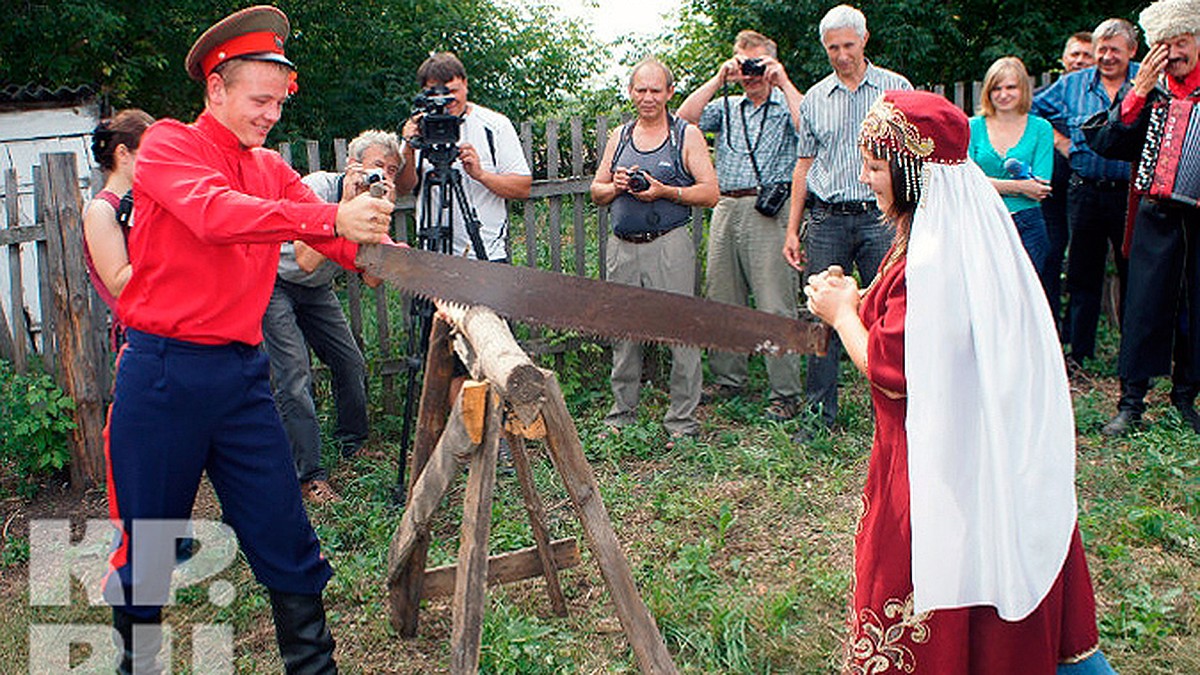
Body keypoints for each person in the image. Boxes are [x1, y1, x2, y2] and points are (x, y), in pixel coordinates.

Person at [102, 7, 394, 673]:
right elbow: (214, 214)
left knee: (285, 536)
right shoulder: (170, 147)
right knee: (147, 550)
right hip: (164, 376)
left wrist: (386, 256)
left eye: (279, 102)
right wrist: (328, 214)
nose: (271, 114)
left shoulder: (267, 168)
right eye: (259, 100)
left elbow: (329, 237)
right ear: (217, 89)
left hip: (240, 379)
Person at [806, 89, 1113, 674]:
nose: (865, 177)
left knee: (946, 569)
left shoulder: (933, 254)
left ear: (910, 173)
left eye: (874, 166)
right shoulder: (958, 231)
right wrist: (861, 296)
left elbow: (895, 374)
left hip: (936, 461)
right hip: (986, 446)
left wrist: (843, 314)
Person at [782, 4, 912, 431]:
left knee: (889, 313)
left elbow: (913, 162)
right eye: (833, 48)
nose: (841, 55)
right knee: (824, 314)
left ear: (865, 40)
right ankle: (819, 417)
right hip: (829, 219)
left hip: (883, 221)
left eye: (848, 46)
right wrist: (792, 229)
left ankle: (892, 414)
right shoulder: (816, 98)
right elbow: (804, 165)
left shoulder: (896, 90)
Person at [263, 130, 402, 504]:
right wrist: (341, 208)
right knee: (294, 375)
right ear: (352, 165)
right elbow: (306, 261)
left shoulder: (375, 204)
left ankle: (351, 445)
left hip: (316, 288)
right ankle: (309, 477)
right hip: (276, 281)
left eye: (391, 170)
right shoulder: (316, 188)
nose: (384, 177)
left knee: (350, 362)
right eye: (377, 167)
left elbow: (372, 278)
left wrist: (381, 231)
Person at [676, 29, 805, 421]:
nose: (750, 73)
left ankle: (786, 391)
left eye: (757, 64)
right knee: (723, 296)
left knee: (773, 301)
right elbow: (683, 118)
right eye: (744, 63)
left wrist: (781, 80)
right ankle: (729, 377)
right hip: (727, 206)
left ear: (771, 62)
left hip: (769, 208)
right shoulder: (728, 106)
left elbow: (810, 130)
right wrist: (719, 78)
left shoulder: (785, 104)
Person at [1086, 0, 1200, 436]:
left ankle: (1185, 399)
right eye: (1164, 44)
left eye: (1182, 42)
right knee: (1142, 308)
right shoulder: (1149, 93)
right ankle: (1131, 403)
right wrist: (1136, 92)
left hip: (1197, 223)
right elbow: (1108, 142)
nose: (1173, 52)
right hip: (1154, 216)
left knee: (1196, 307)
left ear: (1196, 41)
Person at [590, 57, 719, 440]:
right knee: (624, 333)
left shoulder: (686, 135)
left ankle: (681, 422)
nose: (648, 97)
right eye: (640, 90)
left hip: (669, 245)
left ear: (669, 93)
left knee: (681, 332)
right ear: (631, 92)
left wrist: (665, 191)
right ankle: (621, 416)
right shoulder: (621, 136)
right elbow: (596, 191)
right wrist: (615, 186)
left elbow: (710, 193)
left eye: (655, 90)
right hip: (622, 246)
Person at [1033, 18, 1141, 370]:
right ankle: (1080, 355)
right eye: (1102, 50)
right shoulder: (1071, 85)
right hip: (1086, 191)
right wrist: (1060, 141)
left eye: (1115, 50)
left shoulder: (1146, 81)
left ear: (1132, 51)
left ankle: (1135, 358)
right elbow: (1032, 110)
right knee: (1082, 275)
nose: (1107, 57)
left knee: (1136, 276)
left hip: (1132, 194)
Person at [396, 51, 531, 262]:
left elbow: (522, 187)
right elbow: (402, 188)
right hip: (433, 257)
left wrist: (481, 175)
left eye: (451, 92)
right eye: (434, 94)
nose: (445, 101)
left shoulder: (494, 125)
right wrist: (409, 148)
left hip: (484, 255)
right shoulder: (420, 128)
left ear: (465, 85)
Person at [968, 56, 1055, 284]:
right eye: (997, 88)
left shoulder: (1041, 128)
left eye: (1011, 87)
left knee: (1026, 295)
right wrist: (1019, 187)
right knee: (986, 292)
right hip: (984, 222)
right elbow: (965, 181)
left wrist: (988, 183)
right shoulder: (972, 127)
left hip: (1028, 223)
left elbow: (1041, 186)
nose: (1003, 94)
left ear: (1023, 89)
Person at [1041, 31, 1096, 341]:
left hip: (1087, 191)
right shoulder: (1047, 96)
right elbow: (1022, 111)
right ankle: (1050, 334)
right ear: (1063, 58)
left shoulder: (1102, 96)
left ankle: (1079, 342)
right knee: (1049, 259)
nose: (1079, 60)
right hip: (1049, 194)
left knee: (1082, 266)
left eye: (1086, 55)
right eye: (1074, 54)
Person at [82, 109, 153, 347]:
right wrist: (172, 249)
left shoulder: (148, 202)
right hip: (138, 335)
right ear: (123, 153)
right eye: (149, 154)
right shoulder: (102, 210)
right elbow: (118, 284)